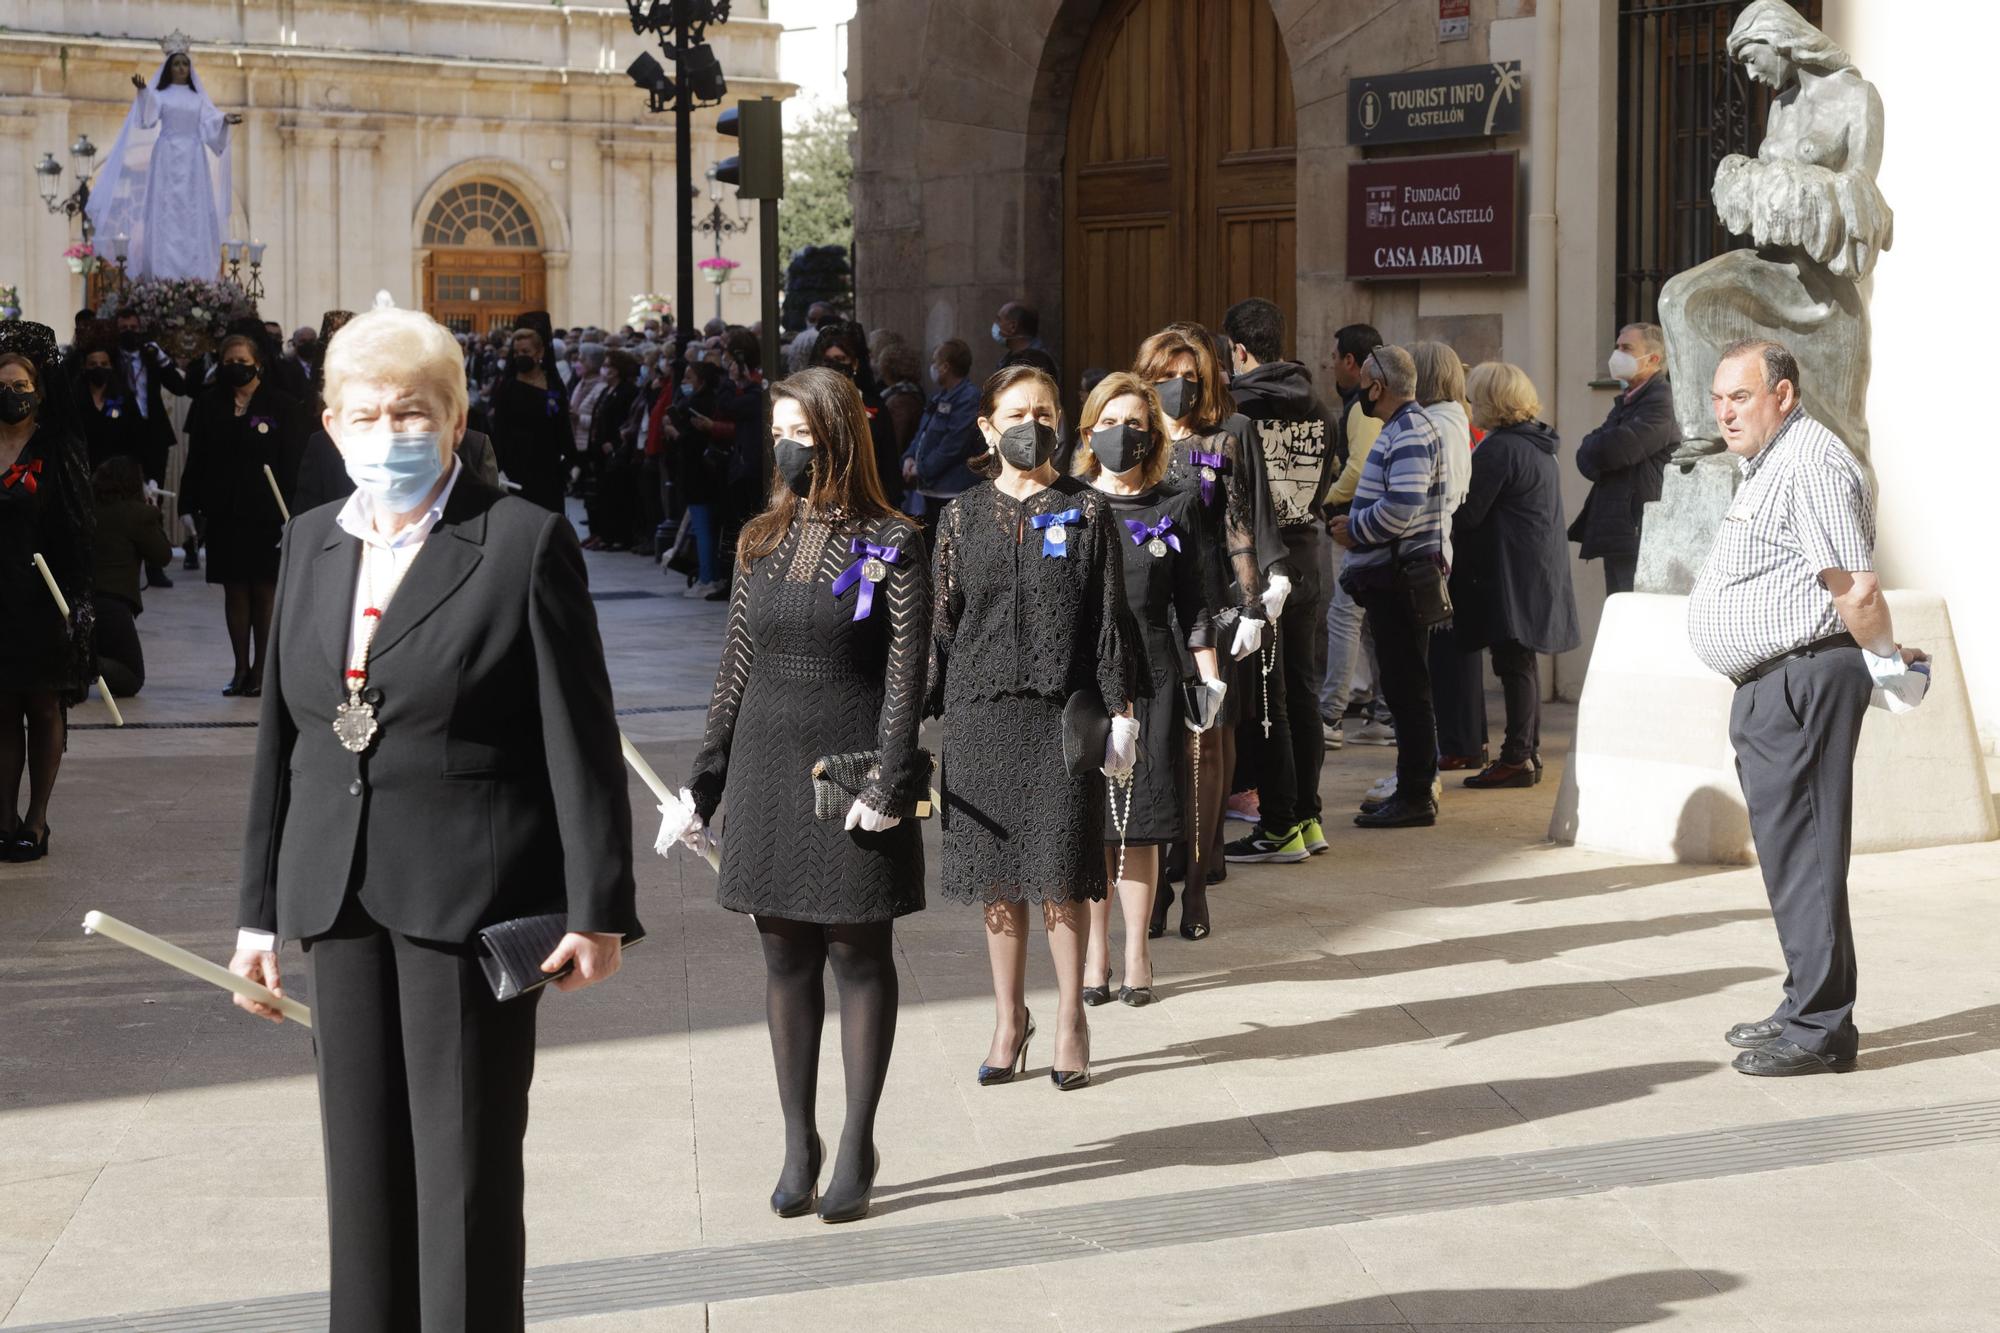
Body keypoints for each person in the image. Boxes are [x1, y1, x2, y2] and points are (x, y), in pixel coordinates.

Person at [226, 307, 636, 1330]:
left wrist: (599, 909)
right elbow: (285, 740)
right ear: (328, 423)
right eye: (365, 414)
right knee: (360, 1171)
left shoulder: (520, 543)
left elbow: (578, 741)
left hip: (472, 895)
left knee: (461, 1174)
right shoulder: (312, 538)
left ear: (454, 420)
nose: (388, 431)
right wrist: (256, 915)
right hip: (340, 894)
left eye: (412, 411)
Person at [664, 367, 929, 1225]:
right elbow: (733, 668)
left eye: (806, 436)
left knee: (857, 952)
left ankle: (857, 1140)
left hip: (849, 765)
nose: (789, 449)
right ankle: (797, 1138)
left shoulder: (894, 539)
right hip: (768, 764)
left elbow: (905, 675)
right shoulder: (758, 538)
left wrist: (890, 778)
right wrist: (703, 780)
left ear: (842, 439)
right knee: (782, 954)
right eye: (780, 432)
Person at [1687, 338, 1918, 1077]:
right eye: (1719, 397)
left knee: (1808, 854)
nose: (1725, 411)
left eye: (1741, 396)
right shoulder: (1772, 461)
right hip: (1774, 683)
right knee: (1793, 856)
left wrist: (1888, 665)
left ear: (1783, 395)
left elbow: (1856, 587)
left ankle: (1821, 1028)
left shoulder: (1811, 461)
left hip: (1804, 678)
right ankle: (1804, 1004)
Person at [927, 363, 1137, 1092]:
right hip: (981, 715)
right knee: (996, 879)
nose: (1033, 424)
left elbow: (1110, 621)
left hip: (1058, 717)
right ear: (987, 426)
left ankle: (1072, 1015)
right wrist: (909, 713)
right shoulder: (958, 517)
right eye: (1017, 412)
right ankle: (1009, 1018)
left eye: (1045, 411)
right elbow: (940, 626)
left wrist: (1123, 713)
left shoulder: (1086, 510)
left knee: (1058, 874)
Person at [1073, 372, 1220, 985]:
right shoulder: (1068, 505)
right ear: (1087, 431)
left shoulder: (1176, 505)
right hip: (1085, 679)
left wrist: (1208, 677)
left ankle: (1136, 951)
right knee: (1093, 823)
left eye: (1134, 423)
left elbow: (1197, 602)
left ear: (1152, 433)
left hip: (1155, 673)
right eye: (1109, 422)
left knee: (1141, 823)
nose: (1121, 434)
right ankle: (1094, 954)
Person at [1137, 321, 1278, 926]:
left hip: (1207, 606)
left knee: (1205, 745)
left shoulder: (1226, 437)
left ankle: (1195, 875)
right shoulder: (1132, 432)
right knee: (1151, 746)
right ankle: (1156, 870)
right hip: (1144, 608)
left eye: (1189, 378)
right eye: (1165, 378)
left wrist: (1254, 606)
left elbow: (1240, 525)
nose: (1177, 389)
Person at [1219, 299, 1341, 864]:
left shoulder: (1238, 407)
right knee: (1303, 692)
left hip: (1261, 569)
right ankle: (1308, 816)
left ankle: (1278, 825)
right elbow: (1328, 481)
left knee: (1269, 703)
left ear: (1238, 350)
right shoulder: (1320, 405)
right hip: (1308, 556)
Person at [1330, 346, 1447, 829]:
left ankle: (1416, 793)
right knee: (1402, 688)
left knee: (1406, 688)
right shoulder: (1403, 429)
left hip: (1399, 581)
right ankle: (1412, 785)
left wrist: (1354, 528)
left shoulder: (1411, 432)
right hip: (1390, 578)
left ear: (1377, 386)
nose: (1360, 392)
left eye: (1366, 384)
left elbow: (1402, 509)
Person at [1452, 363, 1581, 788]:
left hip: (1512, 572)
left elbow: (1469, 514)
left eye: (1474, 397)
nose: (1469, 405)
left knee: (1514, 663)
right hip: (1530, 568)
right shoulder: (1536, 443)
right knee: (1520, 662)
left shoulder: (1501, 448)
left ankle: (1518, 757)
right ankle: (1526, 752)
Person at [0, 327, 94, 863]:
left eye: (20, 384)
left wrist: (77, 605)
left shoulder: (58, 449)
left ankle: (36, 819)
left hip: (43, 596)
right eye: (2, 384)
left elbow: (80, 527)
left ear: (38, 390)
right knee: (1, 711)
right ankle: (3, 816)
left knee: (42, 706)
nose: (11, 393)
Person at [179, 333, 304, 697]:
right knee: (234, 592)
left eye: (241, 361)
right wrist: (188, 504)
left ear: (258, 363)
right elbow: (197, 458)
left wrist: (293, 512)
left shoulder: (281, 405)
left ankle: (263, 671)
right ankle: (240, 669)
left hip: (267, 514)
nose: (235, 367)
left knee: (264, 592)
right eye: (228, 361)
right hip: (225, 512)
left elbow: (293, 462)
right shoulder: (208, 404)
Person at [85, 42, 242, 282]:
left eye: (185, 64)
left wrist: (225, 120)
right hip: (168, 154)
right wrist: (143, 92)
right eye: (177, 64)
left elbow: (211, 119)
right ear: (169, 68)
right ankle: (164, 274)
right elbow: (148, 116)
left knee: (192, 211)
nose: (181, 68)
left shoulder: (197, 98)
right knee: (166, 212)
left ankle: (195, 275)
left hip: (192, 157)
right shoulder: (160, 95)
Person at [1408, 341, 1485, 771]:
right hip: (1447, 544)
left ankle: (1458, 743)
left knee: (1445, 658)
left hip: (1436, 546)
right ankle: (1464, 740)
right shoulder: (1450, 418)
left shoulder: (1436, 422)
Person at [1317, 324, 1386, 747]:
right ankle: (1380, 711)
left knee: (1344, 617)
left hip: (1356, 525)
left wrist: (1326, 499)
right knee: (1368, 620)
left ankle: (1331, 715)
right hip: (1369, 523)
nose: (1331, 367)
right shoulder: (1365, 407)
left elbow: (1359, 469)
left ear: (1350, 362)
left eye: (1334, 358)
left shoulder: (1361, 407)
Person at [1571, 322, 1677, 595]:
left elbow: (1617, 450)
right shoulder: (1628, 402)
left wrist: (1601, 452)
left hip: (1640, 531)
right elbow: (1585, 455)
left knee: (1637, 621)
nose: (1617, 355)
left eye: (1626, 348)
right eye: (1617, 347)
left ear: (1653, 359)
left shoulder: (1660, 401)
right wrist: (1600, 452)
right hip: (1621, 532)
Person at [89, 456, 172, 697]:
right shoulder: (138, 514)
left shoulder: (86, 509)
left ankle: (82, 663)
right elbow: (163, 555)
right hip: (113, 605)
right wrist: (154, 511)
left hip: (80, 601)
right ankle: (88, 665)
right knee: (132, 678)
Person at [810, 320, 902, 511]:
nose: (835, 366)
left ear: (854, 363)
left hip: (869, 503)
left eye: (841, 359)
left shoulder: (874, 406)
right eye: (828, 361)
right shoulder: (811, 406)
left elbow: (888, 460)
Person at [901, 338, 983, 532]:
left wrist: (922, 469)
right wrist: (909, 458)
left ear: (945, 367)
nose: (932, 367)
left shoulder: (969, 397)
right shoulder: (940, 396)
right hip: (931, 488)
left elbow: (954, 444)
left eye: (934, 362)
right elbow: (923, 433)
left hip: (952, 490)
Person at [487, 324, 571, 512]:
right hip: (516, 462)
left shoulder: (553, 385)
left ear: (539, 352)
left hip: (548, 462)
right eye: (516, 353)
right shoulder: (507, 386)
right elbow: (500, 427)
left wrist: (568, 461)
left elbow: (562, 424)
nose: (520, 356)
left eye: (526, 351)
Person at [69, 339, 146, 468]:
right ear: (84, 367)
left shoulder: (124, 398)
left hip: (117, 470)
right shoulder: (74, 399)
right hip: (83, 468)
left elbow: (137, 436)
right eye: (93, 364)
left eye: (104, 364)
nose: (99, 368)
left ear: (111, 367)